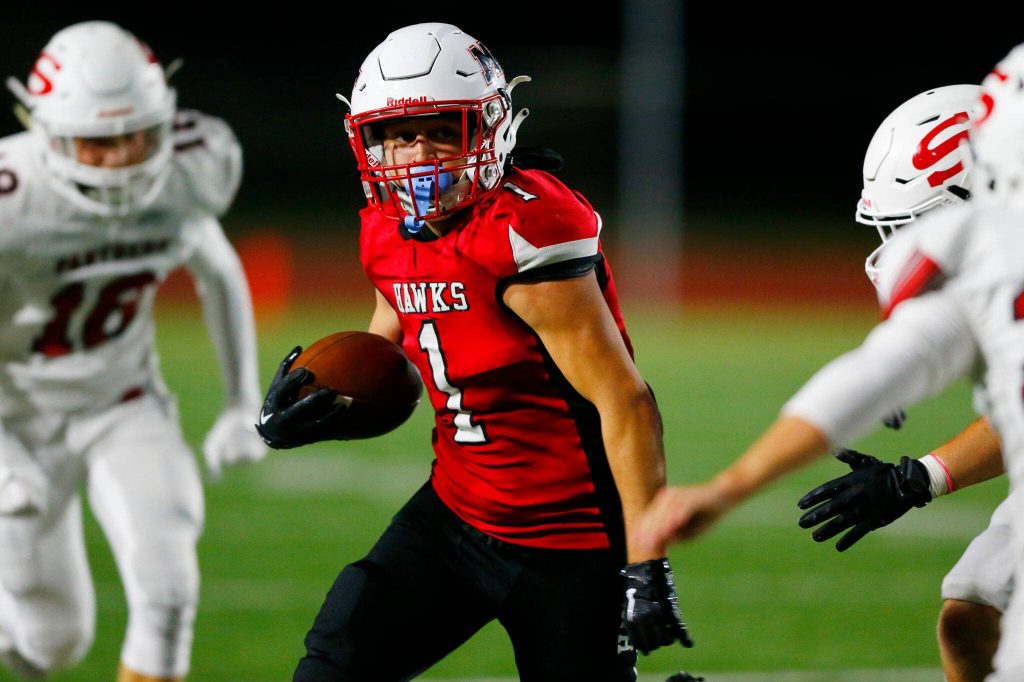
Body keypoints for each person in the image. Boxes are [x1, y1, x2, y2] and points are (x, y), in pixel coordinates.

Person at [256, 22, 692, 681]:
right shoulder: (382, 226)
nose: (421, 152)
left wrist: (646, 560)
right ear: (369, 141)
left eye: (441, 129)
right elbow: (388, 340)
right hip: (456, 515)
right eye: (401, 135)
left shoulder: (523, 230)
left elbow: (624, 398)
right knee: (333, 664)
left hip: (570, 541)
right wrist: (318, 402)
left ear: (487, 129)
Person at [634, 46, 1024, 680]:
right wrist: (728, 488)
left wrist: (914, 479)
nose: (901, 248)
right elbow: (871, 377)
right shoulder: (995, 259)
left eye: (914, 225)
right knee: (972, 615)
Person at [0, 21, 266, 682]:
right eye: (96, 142)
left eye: (135, 135)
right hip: (18, 414)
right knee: (53, 641)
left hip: (124, 401)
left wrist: (241, 401)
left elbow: (218, 268)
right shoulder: (12, 197)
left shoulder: (189, 169)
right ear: (49, 133)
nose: (120, 157)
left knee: (169, 587)